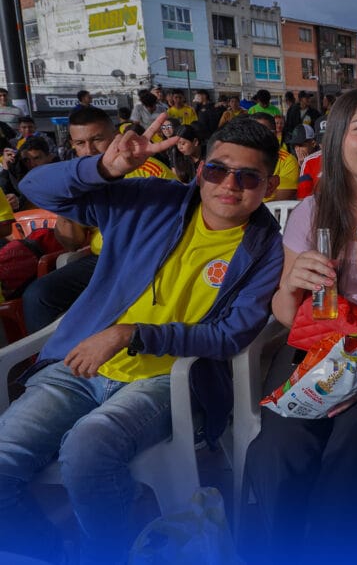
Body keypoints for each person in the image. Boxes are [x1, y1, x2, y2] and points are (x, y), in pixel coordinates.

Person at [0, 116, 284, 564]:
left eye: (248, 177)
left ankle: (105, 554)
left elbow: (231, 334)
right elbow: (37, 188)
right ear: (198, 169)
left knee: (88, 448)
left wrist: (131, 335)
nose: (230, 185)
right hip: (79, 367)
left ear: (268, 187)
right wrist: (104, 168)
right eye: (217, 170)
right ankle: (48, 551)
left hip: (169, 381)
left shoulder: (266, 248)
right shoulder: (151, 200)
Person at [243, 89, 357, 564]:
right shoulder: (313, 212)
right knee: (281, 444)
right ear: (337, 138)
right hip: (319, 346)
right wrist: (293, 285)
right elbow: (282, 309)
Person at [21, 107, 177, 334]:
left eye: (97, 140)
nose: (89, 150)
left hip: (146, 259)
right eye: (80, 143)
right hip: (101, 259)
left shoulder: (147, 168)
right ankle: (49, 362)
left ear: (115, 137)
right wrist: (66, 201)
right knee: (39, 295)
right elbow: (72, 243)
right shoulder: (80, 176)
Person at [248, 112, 299, 201]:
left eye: (262, 132)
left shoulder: (288, 161)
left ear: (274, 134)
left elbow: (279, 201)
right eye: (252, 132)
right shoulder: (237, 159)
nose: (257, 136)